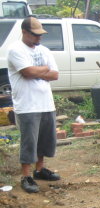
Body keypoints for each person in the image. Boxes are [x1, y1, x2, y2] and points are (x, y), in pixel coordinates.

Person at [7, 17, 60, 193]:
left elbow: (55, 75)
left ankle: (39, 170)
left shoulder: (44, 50)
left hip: (46, 103)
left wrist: (40, 71)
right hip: (27, 105)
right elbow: (28, 72)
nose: (39, 38)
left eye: (40, 35)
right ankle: (26, 176)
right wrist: (44, 69)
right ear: (24, 32)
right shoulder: (15, 50)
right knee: (29, 142)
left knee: (45, 140)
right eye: (35, 35)